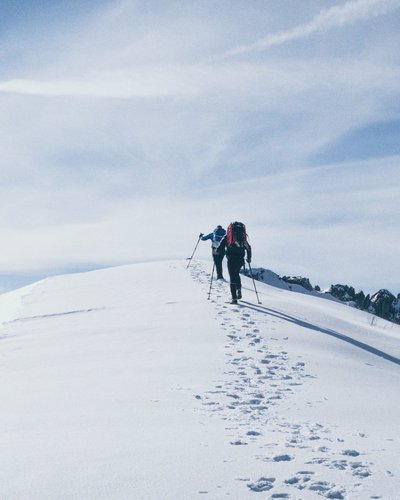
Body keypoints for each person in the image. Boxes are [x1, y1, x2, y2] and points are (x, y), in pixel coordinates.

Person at [217, 221, 252, 304]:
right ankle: (239, 289)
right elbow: (248, 248)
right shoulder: (243, 238)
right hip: (240, 260)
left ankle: (234, 299)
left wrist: (218, 252)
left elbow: (219, 248)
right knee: (236, 274)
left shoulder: (228, 237)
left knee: (232, 276)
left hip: (231, 259)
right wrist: (249, 258)